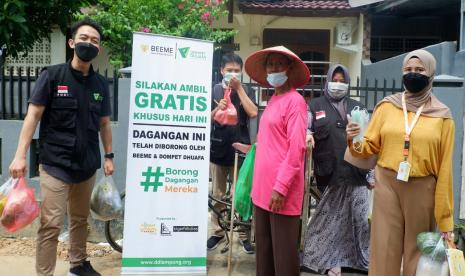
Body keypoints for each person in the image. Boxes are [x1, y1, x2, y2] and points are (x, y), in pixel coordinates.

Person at [8, 18, 113, 276]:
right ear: (71, 42)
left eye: (95, 41)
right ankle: (45, 273)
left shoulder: (100, 85)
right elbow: (32, 116)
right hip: (55, 163)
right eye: (84, 38)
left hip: (87, 165)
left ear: (99, 49)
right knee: (51, 224)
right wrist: (20, 155)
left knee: (79, 220)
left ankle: (78, 266)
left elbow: (104, 123)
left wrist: (109, 155)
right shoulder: (52, 76)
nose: (89, 44)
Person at [346, 49, 455, 276]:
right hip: (387, 183)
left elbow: (445, 171)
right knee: (384, 248)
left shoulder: (443, 116)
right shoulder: (387, 107)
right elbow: (368, 147)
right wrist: (353, 137)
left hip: (423, 188)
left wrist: (445, 221)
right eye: (408, 70)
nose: (413, 74)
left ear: (431, 73)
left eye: (419, 70)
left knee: (417, 255)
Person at [245, 46, 309, 276]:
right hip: (262, 190)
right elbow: (270, 141)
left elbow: (296, 149)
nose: (274, 68)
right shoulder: (273, 99)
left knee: (283, 260)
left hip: (280, 192)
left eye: (279, 63)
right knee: (264, 254)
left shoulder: (295, 102)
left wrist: (280, 188)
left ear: (289, 68)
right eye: (270, 64)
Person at [301, 64, 370, 276]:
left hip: (356, 173)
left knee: (358, 219)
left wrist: (371, 173)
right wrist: (308, 135)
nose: (338, 84)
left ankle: (359, 261)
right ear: (327, 80)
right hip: (329, 172)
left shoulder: (358, 107)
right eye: (335, 79)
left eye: (342, 80)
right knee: (329, 221)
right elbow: (305, 128)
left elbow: (370, 142)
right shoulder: (314, 105)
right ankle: (328, 260)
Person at [208, 53, 258, 253]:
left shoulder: (247, 90)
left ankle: (244, 235)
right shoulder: (216, 89)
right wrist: (216, 109)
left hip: (241, 150)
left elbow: (253, 112)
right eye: (229, 70)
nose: (233, 73)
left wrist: (239, 89)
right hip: (219, 148)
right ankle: (217, 233)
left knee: (241, 194)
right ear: (221, 71)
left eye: (237, 70)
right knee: (218, 194)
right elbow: (207, 119)